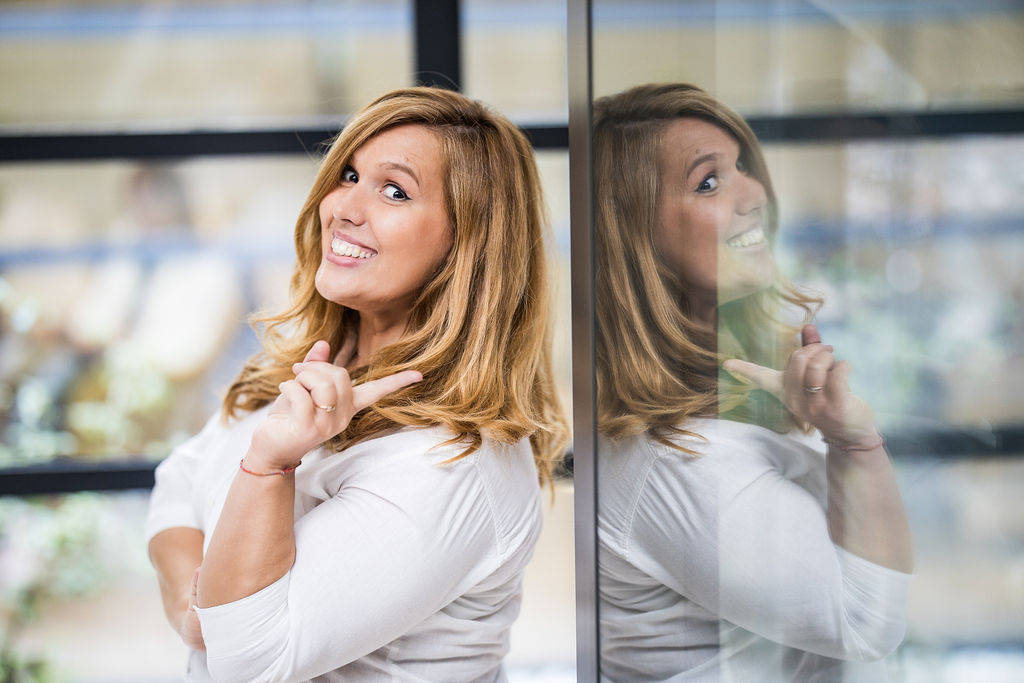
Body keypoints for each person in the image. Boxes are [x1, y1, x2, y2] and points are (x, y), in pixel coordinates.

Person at [145, 86, 568, 682]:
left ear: (467, 246)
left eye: (394, 191)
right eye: (348, 175)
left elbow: (248, 661)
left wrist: (269, 467)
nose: (343, 207)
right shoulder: (303, 364)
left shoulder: (453, 461)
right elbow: (177, 482)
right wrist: (190, 612)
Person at [593, 83, 913, 682]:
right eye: (709, 182)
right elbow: (865, 625)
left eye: (742, 167)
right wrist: (856, 445)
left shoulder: (732, 385)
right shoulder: (678, 457)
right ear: (637, 237)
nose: (755, 194)